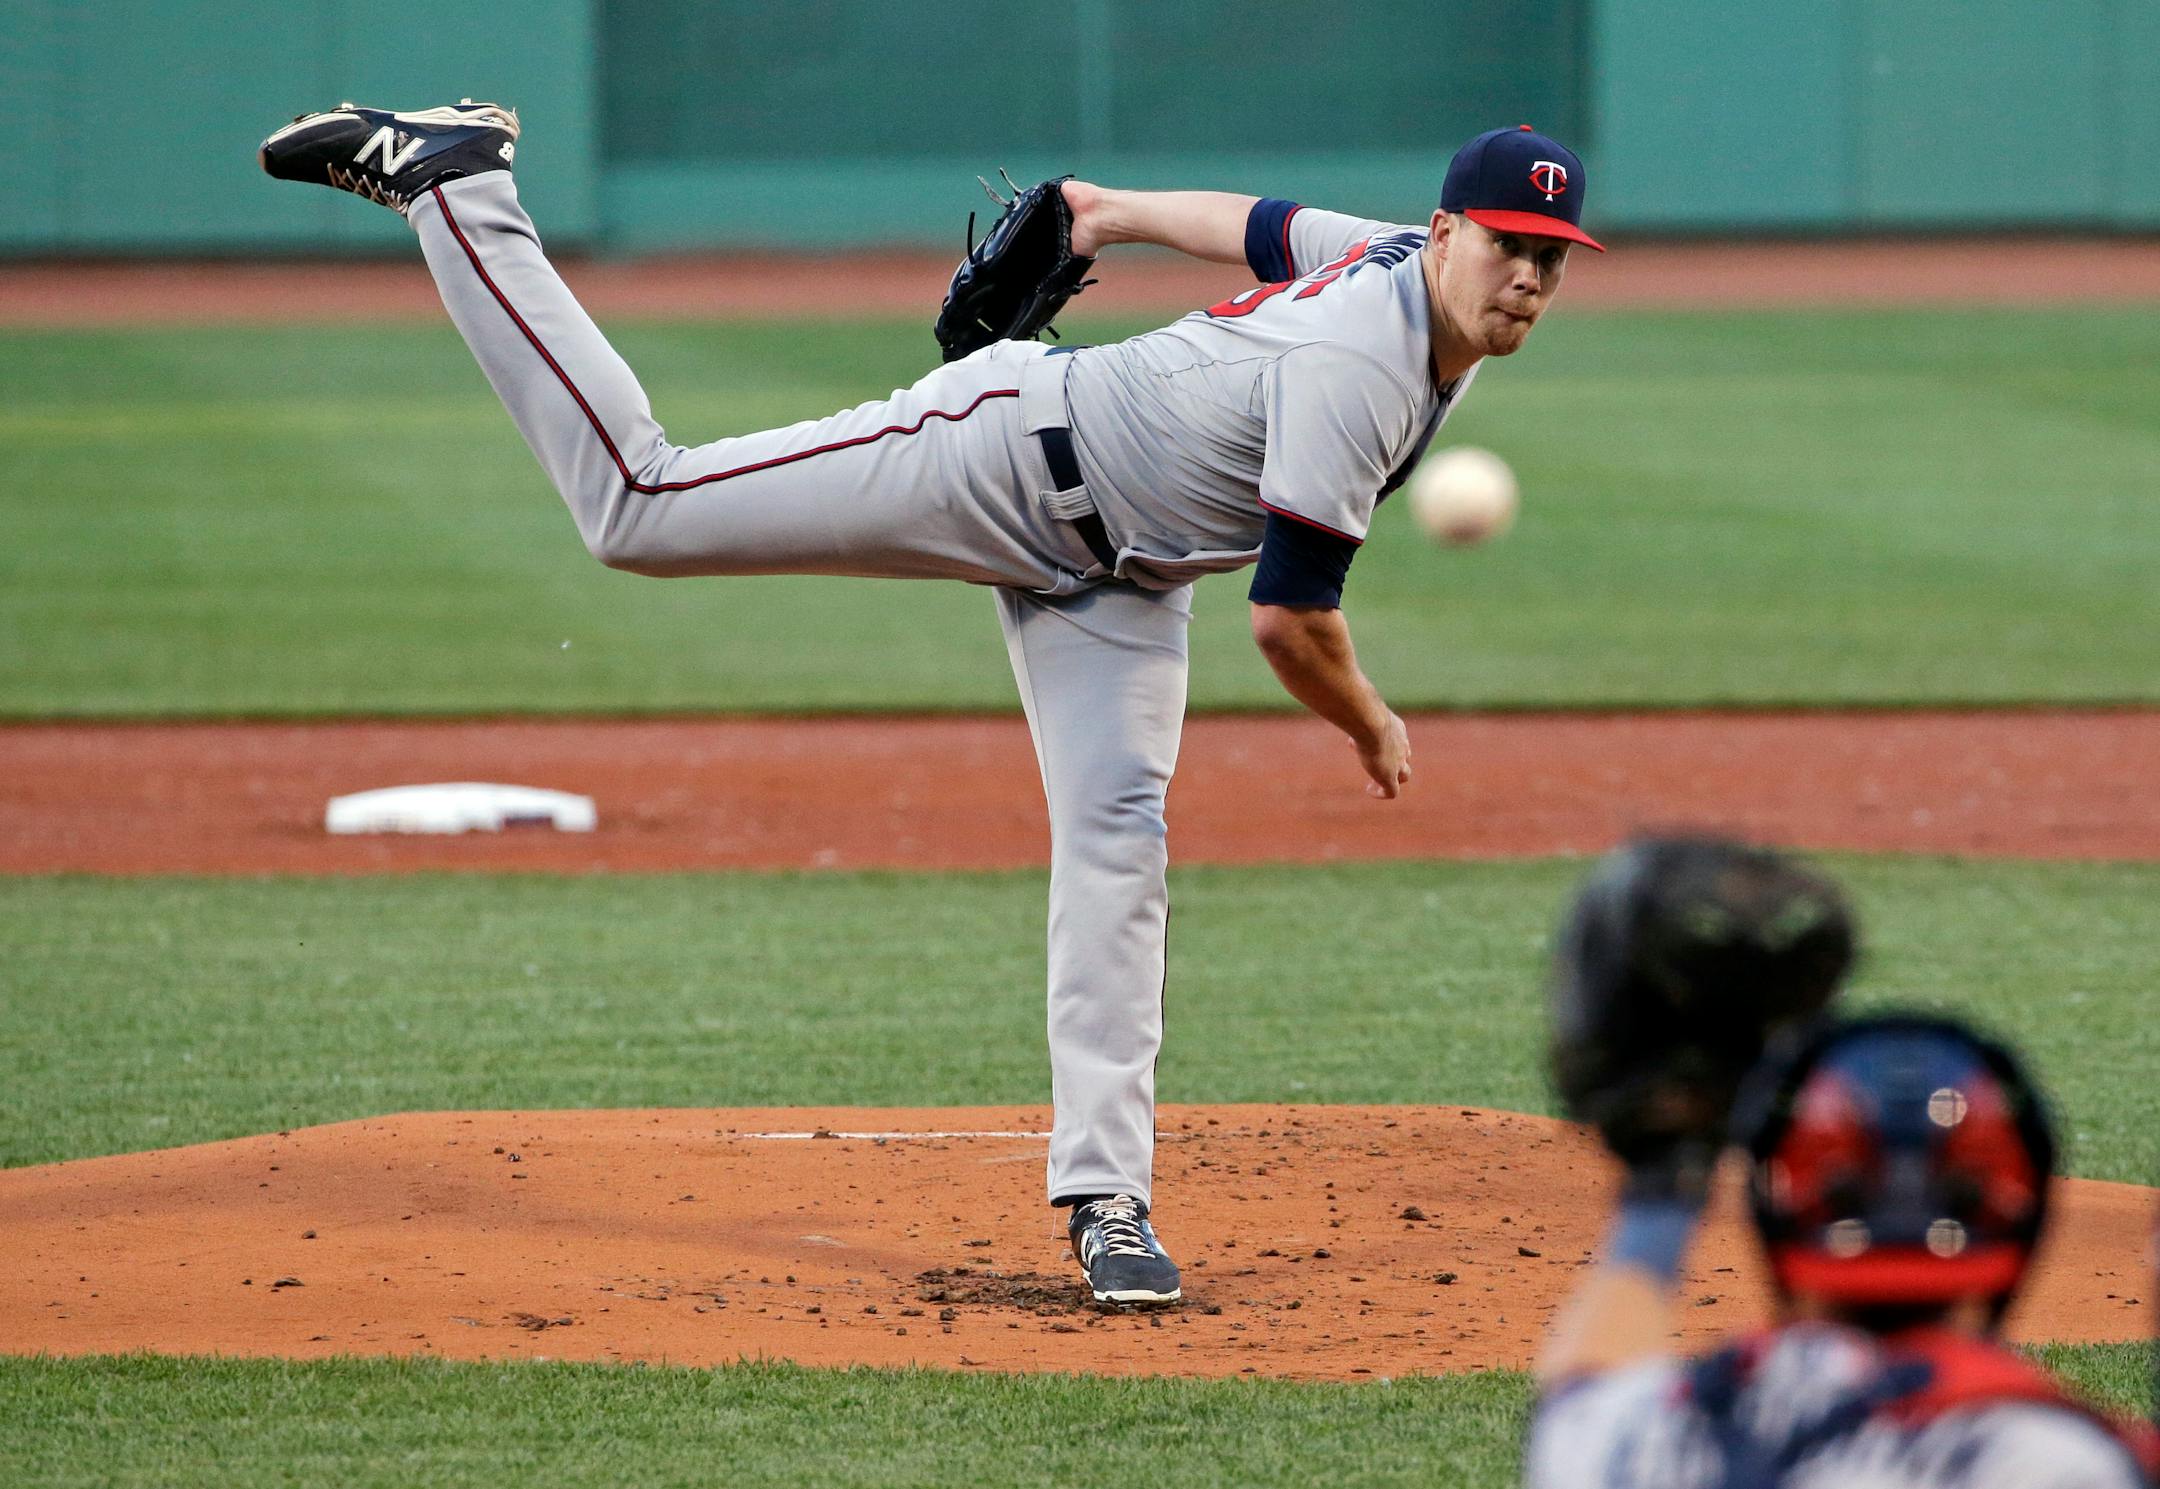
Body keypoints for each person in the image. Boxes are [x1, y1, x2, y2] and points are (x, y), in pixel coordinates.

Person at [258, 100, 1602, 1306]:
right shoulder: (1365, 368)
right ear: (1445, 234)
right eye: (1507, 247)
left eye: (1549, 258)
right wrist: (1371, 721)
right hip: (1003, 453)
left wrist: (1113, 212)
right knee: (641, 504)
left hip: (1123, 582)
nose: (1528, 279)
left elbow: (1254, 224)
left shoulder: (1389, 259)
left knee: (1121, 841)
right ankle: (459, 186)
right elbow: (1292, 622)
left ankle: (1107, 1201)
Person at [1530, 838, 2158, 1486]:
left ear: (1781, 1206)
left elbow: (1577, 1400)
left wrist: (1665, 1170)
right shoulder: (2071, 1460)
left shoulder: (1666, 1444)